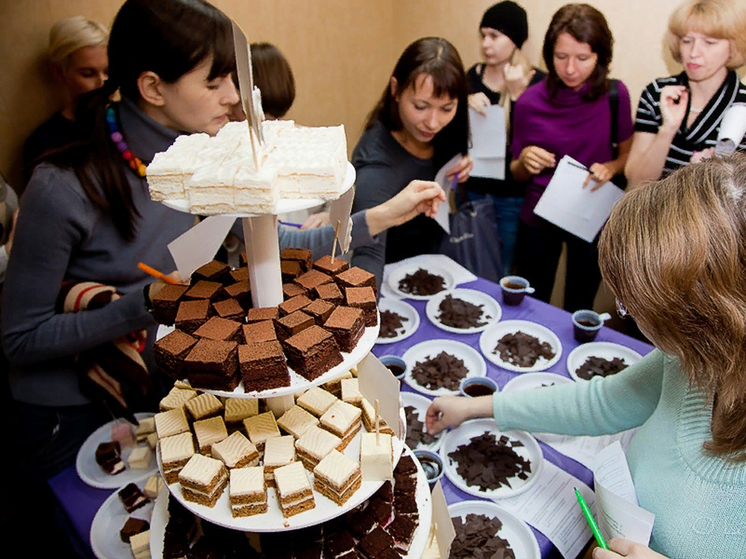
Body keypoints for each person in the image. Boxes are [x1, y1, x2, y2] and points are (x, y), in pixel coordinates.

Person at [2, 0, 445, 482]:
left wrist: (380, 216)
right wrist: (146, 302)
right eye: (214, 83)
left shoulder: (207, 164)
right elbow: (19, 340)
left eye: (233, 79)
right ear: (152, 87)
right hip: (67, 412)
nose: (234, 97)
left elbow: (274, 247)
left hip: (155, 380)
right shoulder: (61, 187)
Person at [428, 154, 746, 558]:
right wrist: (475, 407)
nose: (623, 312)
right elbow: (602, 401)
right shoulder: (690, 360)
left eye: (631, 308)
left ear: (709, 316)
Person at [509, 3, 633, 312]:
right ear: (548, 53)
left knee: (580, 304)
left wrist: (611, 166)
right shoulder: (528, 101)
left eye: (583, 58)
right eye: (561, 57)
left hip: (590, 214)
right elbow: (515, 173)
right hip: (538, 217)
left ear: (601, 57)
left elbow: (628, 154)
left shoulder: (616, 95)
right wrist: (525, 160)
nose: (570, 69)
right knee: (529, 302)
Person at [351, 37, 473, 290]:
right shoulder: (377, 163)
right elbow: (367, 253)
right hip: (390, 281)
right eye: (420, 106)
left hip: (435, 264)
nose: (433, 122)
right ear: (395, 89)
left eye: (446, 108)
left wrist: (464, 164)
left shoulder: (448, 129)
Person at [625, 0, 746, 189]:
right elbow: (636, 183)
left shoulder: (742, 107)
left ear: (733, 47)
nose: (694, 52)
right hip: (650, 215)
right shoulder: (657, 93)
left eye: (709, 42)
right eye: (687, 41)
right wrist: (667, 130)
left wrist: (709, 172)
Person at [461, 1, 544, 274]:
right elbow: (451, 132)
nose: (486, 44)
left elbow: (535, 139)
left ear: (515, 40)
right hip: (472, 188)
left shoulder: (536, 81)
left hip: (512, 195)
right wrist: (464, 104)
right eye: (483, 35)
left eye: (495, 36)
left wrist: (519, 97)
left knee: (503, 268)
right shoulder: (471, 77)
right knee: (467, 260)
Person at [22, 16, 108, 184]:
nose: (102, 83)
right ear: (59, 72)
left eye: (108, 71)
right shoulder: (44, 143)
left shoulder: (128, 121)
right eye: (87, 74)